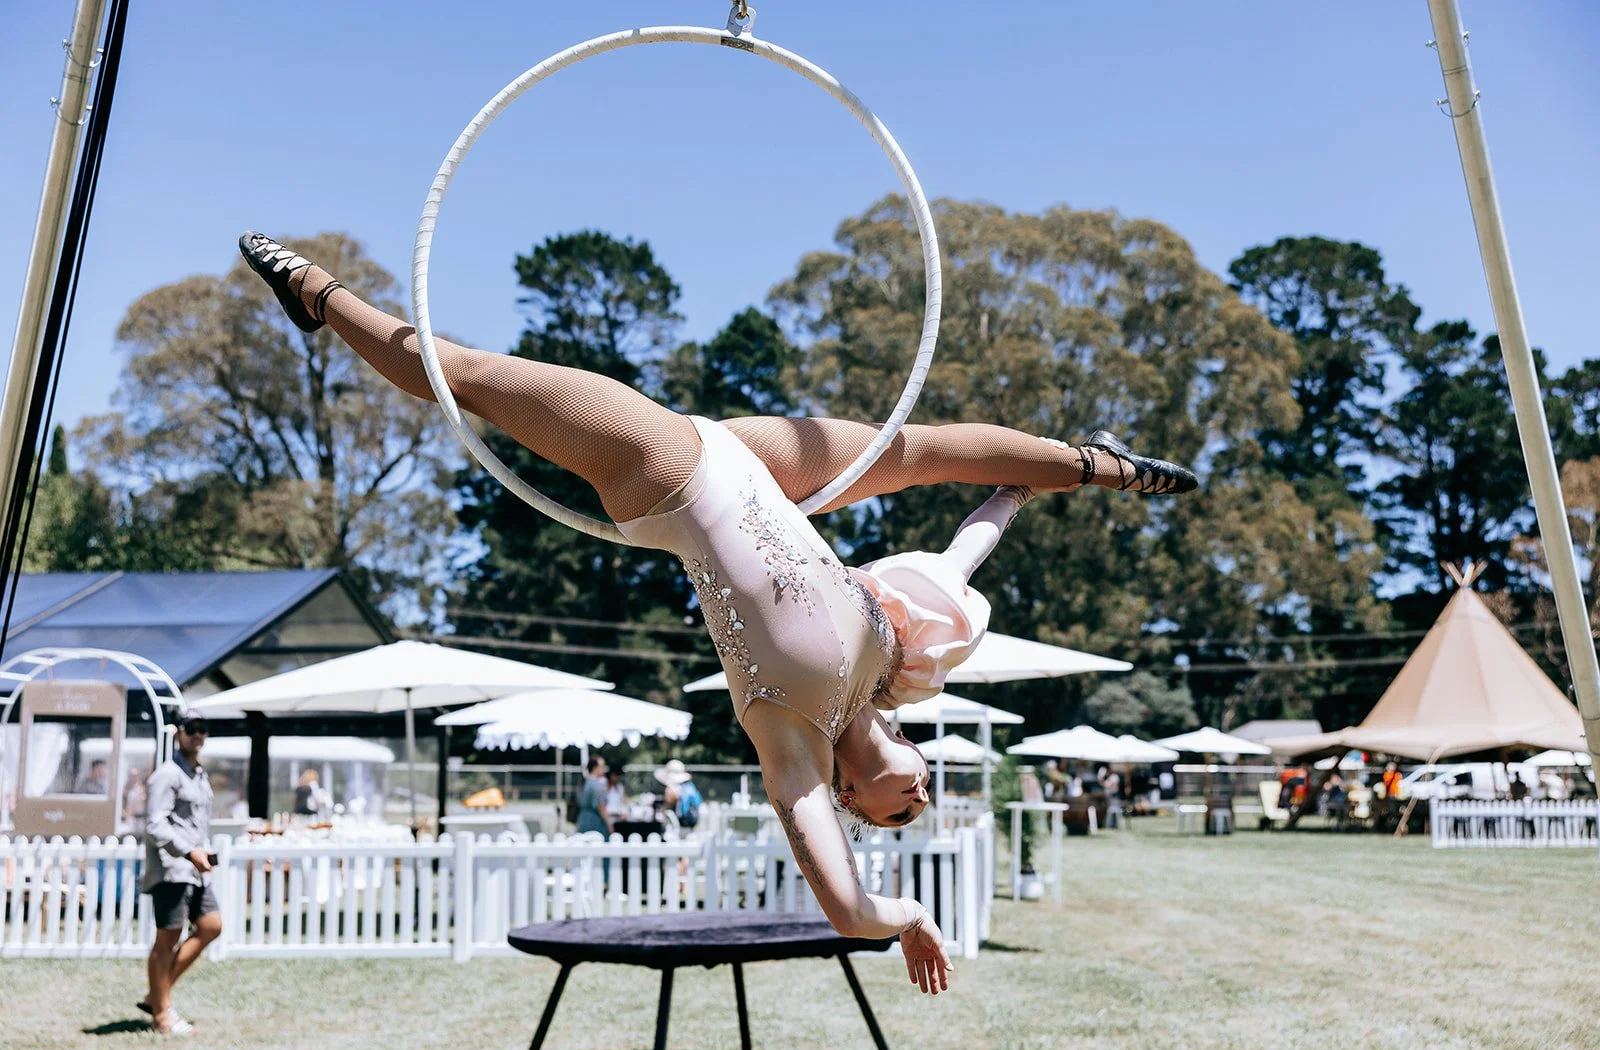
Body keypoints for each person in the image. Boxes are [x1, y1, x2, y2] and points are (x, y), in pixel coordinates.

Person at [239, 232, 1199, 995]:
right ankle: (1100, 459)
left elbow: (848, 910)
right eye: (926, 790)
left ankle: (317, 295)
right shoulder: (894, 661)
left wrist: (898, 916)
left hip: (670, 476)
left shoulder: (789, 740)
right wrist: (1031, 489)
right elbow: (962, 550)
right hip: (761, 469)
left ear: (857, 806)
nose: (920, 790)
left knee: (464, 372)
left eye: (903, 808)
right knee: (927, 451)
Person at [140, 710, 221, 1035]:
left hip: (196, 869)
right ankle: (161, 1016)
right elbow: (154, 824)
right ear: (178, 733)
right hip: (172, 868)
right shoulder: (167, 774)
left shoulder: (198, 774)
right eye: (192, 729)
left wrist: (200, 851)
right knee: (167, 940)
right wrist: (188, 851)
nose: (198, 735)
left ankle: (157, 995)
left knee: (211, 926)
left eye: (203, 729)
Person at [655, 759, 703, 830]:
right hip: (692, 825)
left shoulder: (672, 789)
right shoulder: (690, 786)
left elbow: (667, 805)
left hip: (680, 826)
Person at [576, 756, 612, 837]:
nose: (603, 768)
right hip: (595, 824)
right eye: (602, 766)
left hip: (583, 822)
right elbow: (601, 807)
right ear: (595, 768)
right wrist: (610, 827)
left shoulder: (586, 782)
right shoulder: (597, 785)